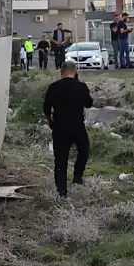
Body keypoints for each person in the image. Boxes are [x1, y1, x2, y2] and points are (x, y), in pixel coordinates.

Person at [42, 61, 93, 198]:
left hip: (59, 127)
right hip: (77, 126)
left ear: (61, 72)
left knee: (60, 158)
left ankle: (62, 190)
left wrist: (50, 120)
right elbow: (89, 104)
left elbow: (46, 107)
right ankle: (77, 175)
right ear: (75, 71)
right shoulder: (81, 87)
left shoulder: (53, 87)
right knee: (84, 150)